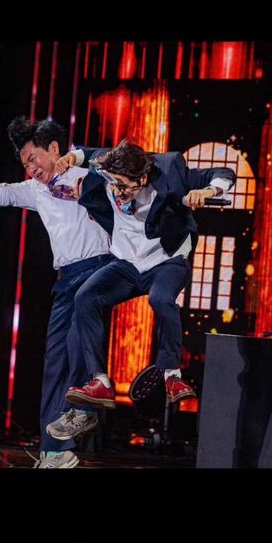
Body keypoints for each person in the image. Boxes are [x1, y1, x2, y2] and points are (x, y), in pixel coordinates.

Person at [46, 139, 236, 434]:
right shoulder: (107, 165)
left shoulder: (170, 170)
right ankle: (100, 381)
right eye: (114, 185)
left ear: (143, 178)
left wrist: (209, 191)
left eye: (125, 187)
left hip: (166, 261)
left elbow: (223, 173)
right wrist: (71, 157)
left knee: (160, 299)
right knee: (85, 297)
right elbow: (87, 154)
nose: (119, 193)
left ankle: (172, 375)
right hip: (127, 264)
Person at [0, 116, 112, 468]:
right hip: (66, 278)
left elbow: (117, 163)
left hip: (97, 270)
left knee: (76, 349)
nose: (30, 168)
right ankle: (53, 452)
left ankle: (78, 421)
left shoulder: (86, 172)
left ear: (54, 149)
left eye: (33, 159)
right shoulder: (36, 189)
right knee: (54, 361)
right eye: (24, 163)